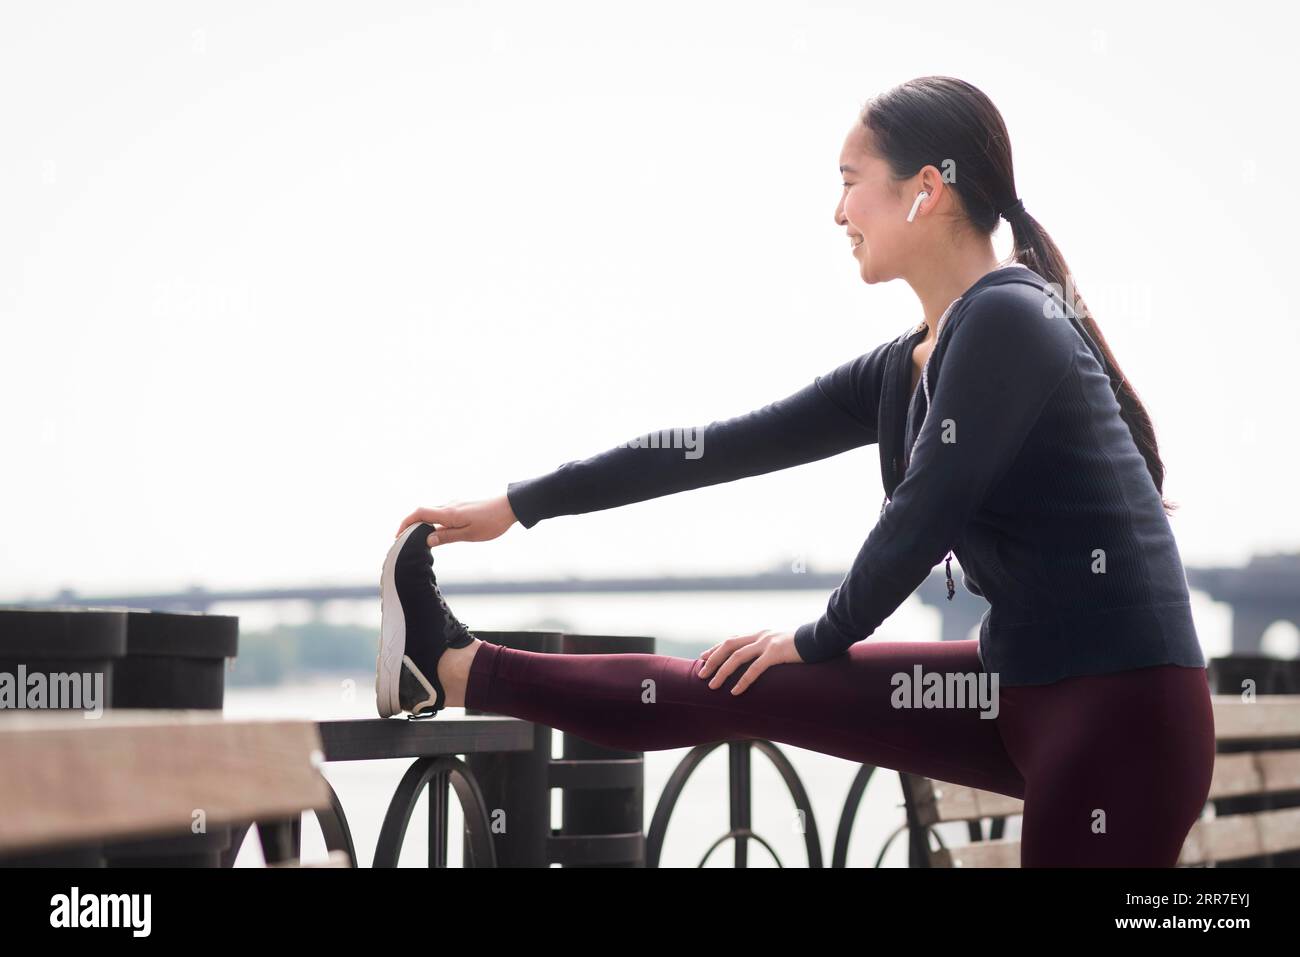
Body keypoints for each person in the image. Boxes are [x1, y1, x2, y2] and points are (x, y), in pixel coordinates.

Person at [376, 75, 1215, 868]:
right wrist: (520, 505)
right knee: (735, 682)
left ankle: (456, 667)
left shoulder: (1011, 316)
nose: (837, 210)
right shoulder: (905, 366)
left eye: (851, 181)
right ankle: (451, 667)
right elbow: (713, 447)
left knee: (767, 664)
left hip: (1122, 713)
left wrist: (816, 636)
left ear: (927, 189)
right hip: (1017, 685)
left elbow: (923, 512)